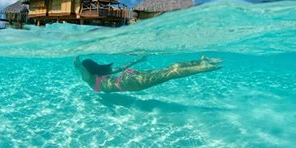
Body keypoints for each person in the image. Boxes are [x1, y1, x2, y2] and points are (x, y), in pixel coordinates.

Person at [74, 55, 222, 93]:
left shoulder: (89, 79)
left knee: (169, 73)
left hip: (128, 83)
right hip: (128, 75)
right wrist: (137, 60)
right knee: (169, 68)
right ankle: (201, 61)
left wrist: (77, 59)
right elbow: (123, 67)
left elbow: (80, 67)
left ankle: (203, 67)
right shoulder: (103, 72)